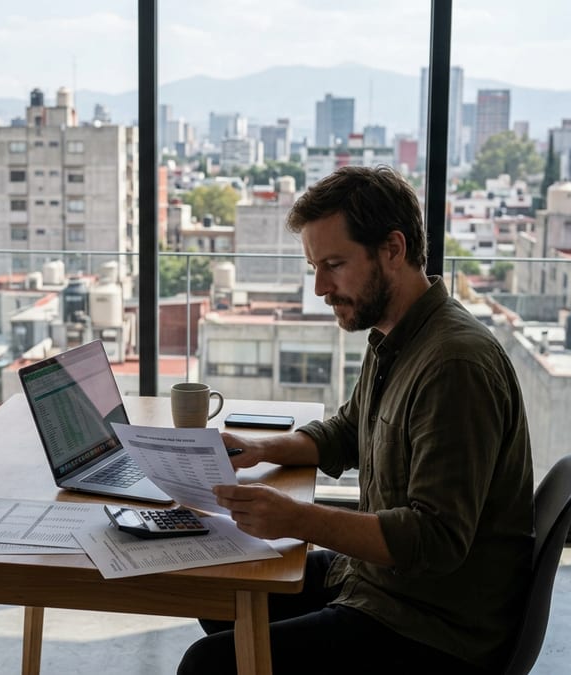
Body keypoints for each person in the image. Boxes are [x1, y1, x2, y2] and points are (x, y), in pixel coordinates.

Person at [177, 166, 534, 675]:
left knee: (208, 665)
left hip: (432, 625)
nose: (321, 287)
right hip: (378, 582)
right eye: (314, 267)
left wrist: (296, 518)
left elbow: (435, 540)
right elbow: (349, 430)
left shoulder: (454, 365)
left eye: (335, 264)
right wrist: (262, 449)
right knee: (223, 589)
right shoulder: (396, 334)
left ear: (392, 248)